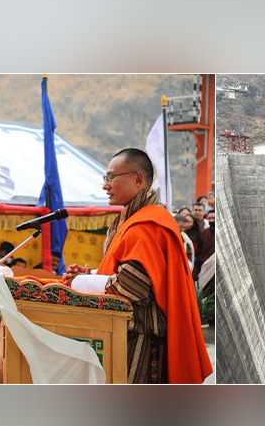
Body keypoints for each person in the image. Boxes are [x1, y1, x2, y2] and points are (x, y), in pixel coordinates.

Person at [62, 148, 212, 384]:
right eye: (105, 178)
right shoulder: (132, 219)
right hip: (123, 333)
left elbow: (132, 287)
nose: (105, 185)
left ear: (138, 179)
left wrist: (82, 282)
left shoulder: (148, 224)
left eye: (111, 177)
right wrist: (91, 275)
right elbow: (121, 274)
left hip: (140, 341)